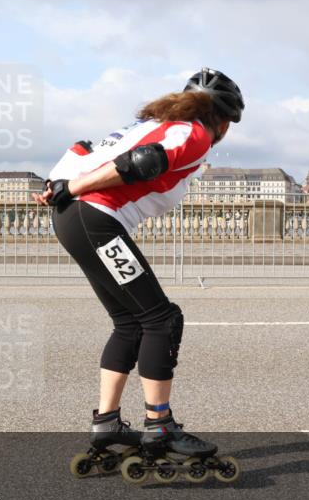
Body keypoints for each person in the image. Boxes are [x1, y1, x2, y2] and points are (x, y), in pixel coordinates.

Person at [35, 68, 244, 462]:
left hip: (74, 218)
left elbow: (80, 149)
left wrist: (58, 187)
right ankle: (159, 426)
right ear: (223, 121)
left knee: (129, 323)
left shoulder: (151, 123)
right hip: (95, 219)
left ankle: (107, 422)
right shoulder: (193, 132)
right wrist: (74, 188)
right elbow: (142, 161)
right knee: (161, 320)